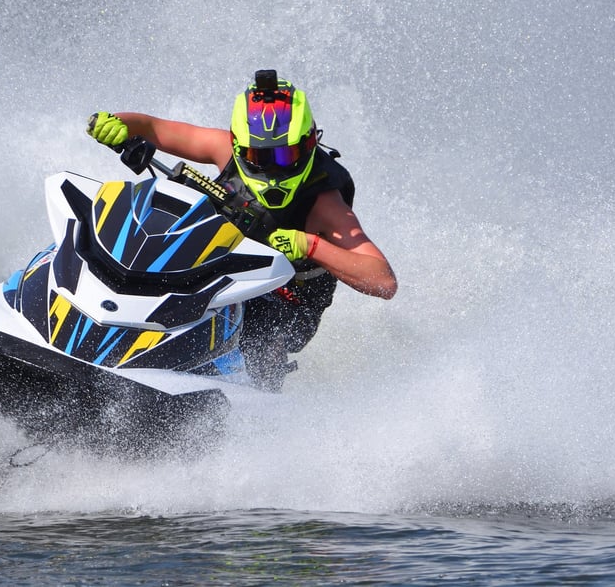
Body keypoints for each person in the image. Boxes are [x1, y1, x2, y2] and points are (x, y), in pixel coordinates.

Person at [87, 69, 397, 390]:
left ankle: (248, 399)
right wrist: (114, 123)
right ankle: (107, 335)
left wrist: (309, 246)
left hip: (286, 307)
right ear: (237, 144)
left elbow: (383, 280)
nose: (271, 167)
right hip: (221, 272)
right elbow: (152, 128)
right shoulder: (222, 148)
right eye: (257, 156)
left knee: (253, 314)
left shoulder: (325, 205)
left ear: (309, 144)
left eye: (285, 154)